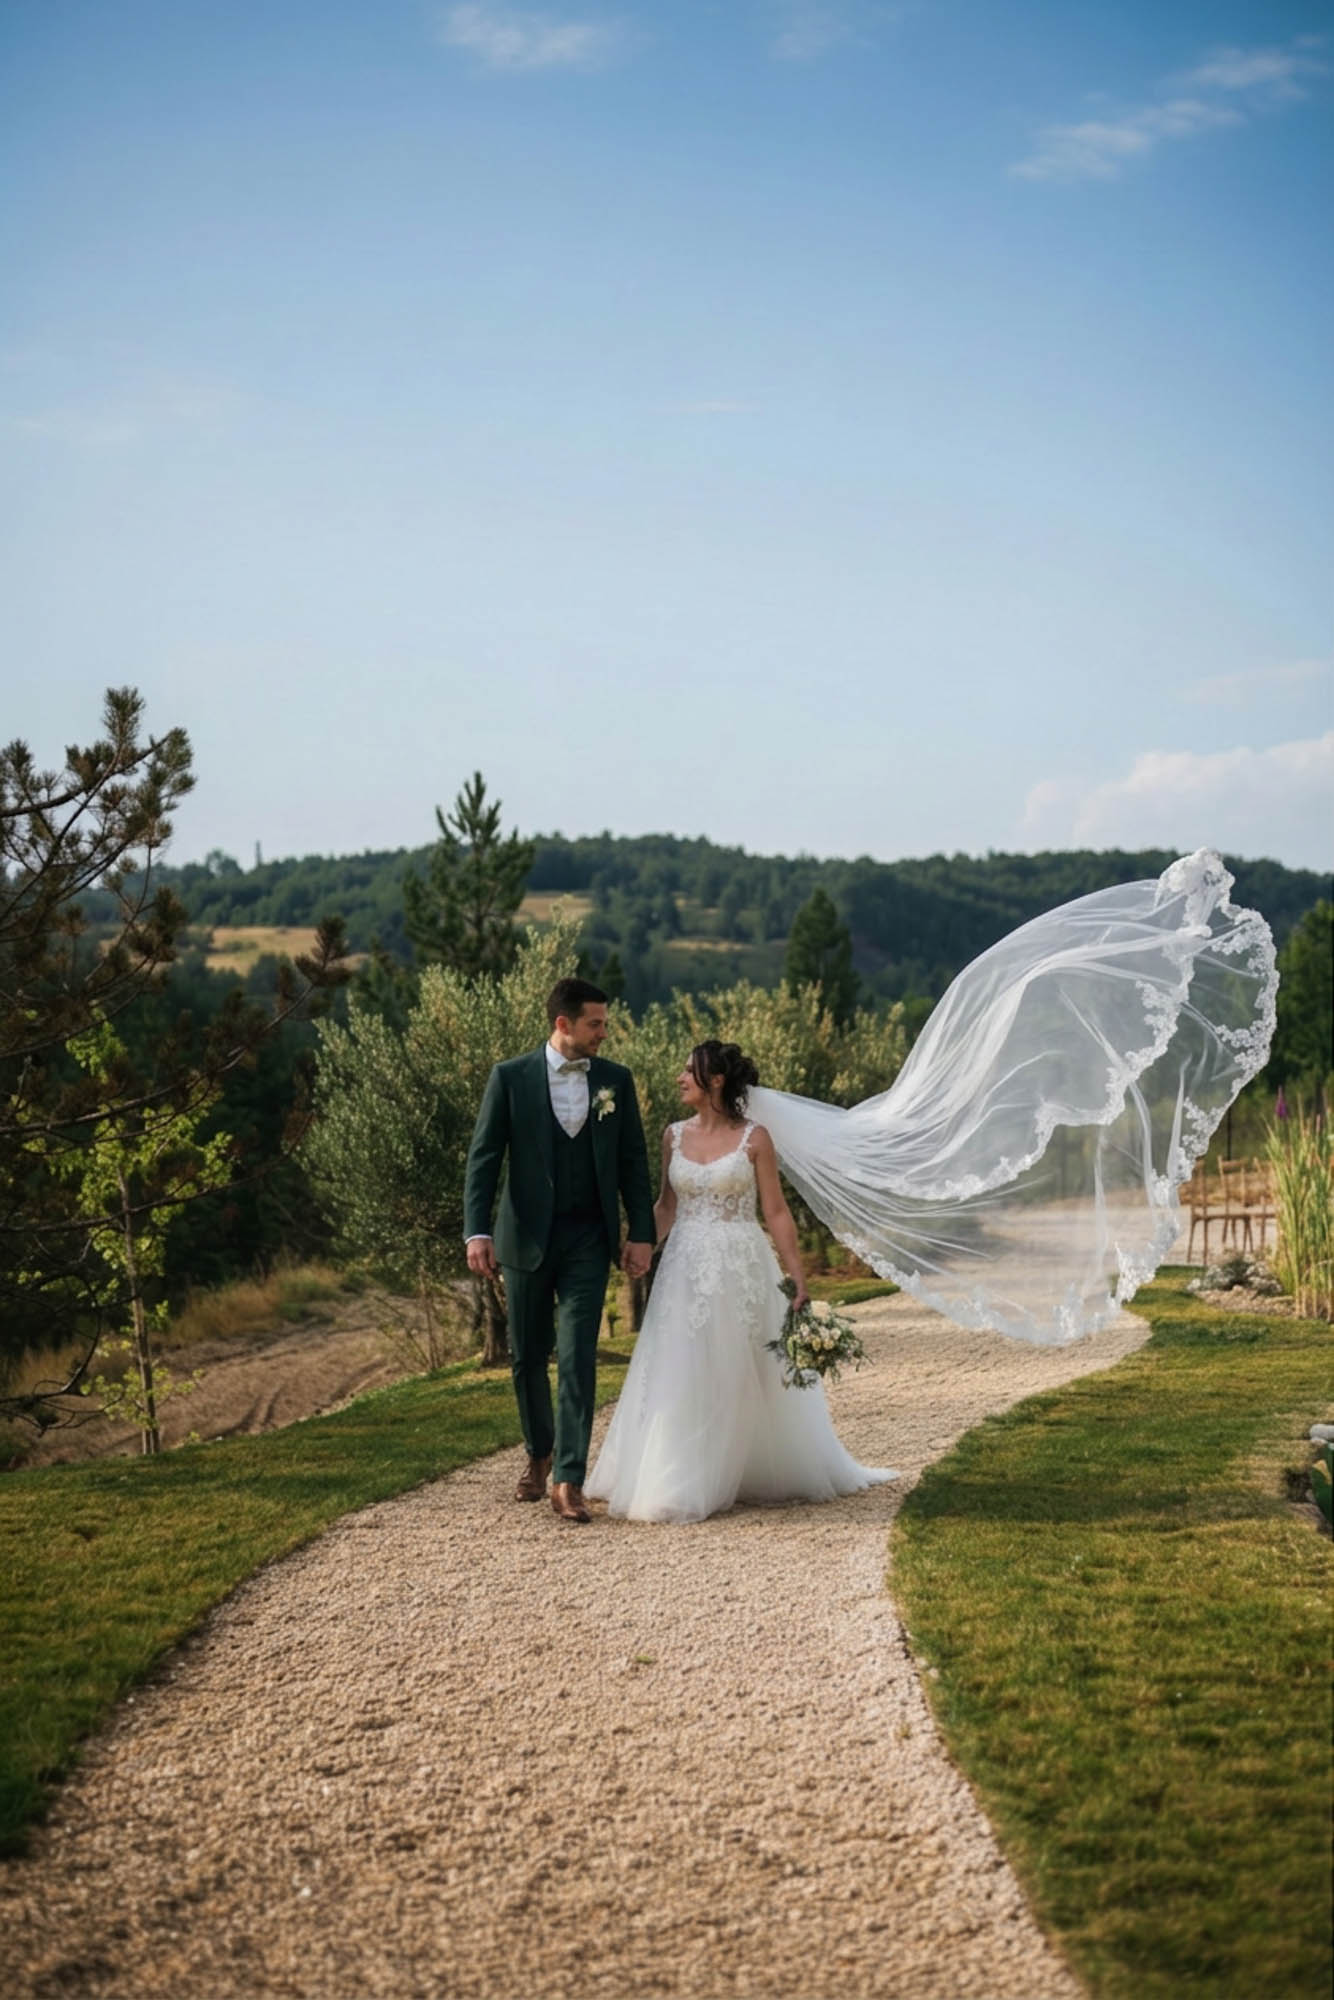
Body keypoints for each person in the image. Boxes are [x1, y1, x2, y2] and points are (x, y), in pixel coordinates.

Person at [585, 1040, 895, 1525]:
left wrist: (797, 1278)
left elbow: (775, 1211)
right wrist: (640, 1245)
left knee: (738, 1367)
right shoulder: (672, 1136)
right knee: (681, 1366)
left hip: (742, 1267)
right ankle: (679, 1476)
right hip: (684, 1266)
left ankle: (741, 1467)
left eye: (690, 1071)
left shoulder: (755, 1139)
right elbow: (667, 1206)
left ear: (716, 1081)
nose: (680, 1077)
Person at [463, 977, 654, 1524]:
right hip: (523, 1238)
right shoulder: (510, 1078)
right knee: (527, 1356)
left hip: (588, 1241)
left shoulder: (616, 1080)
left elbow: (633, 1163)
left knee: (576, 1356)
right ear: (563, 1024)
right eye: (595, 1023)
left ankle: (569, 1478)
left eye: (605, 1023)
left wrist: (640, 1232)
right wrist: (477, 1231)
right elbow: (484, 1158)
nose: (604, 1032)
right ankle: (538, 1452)